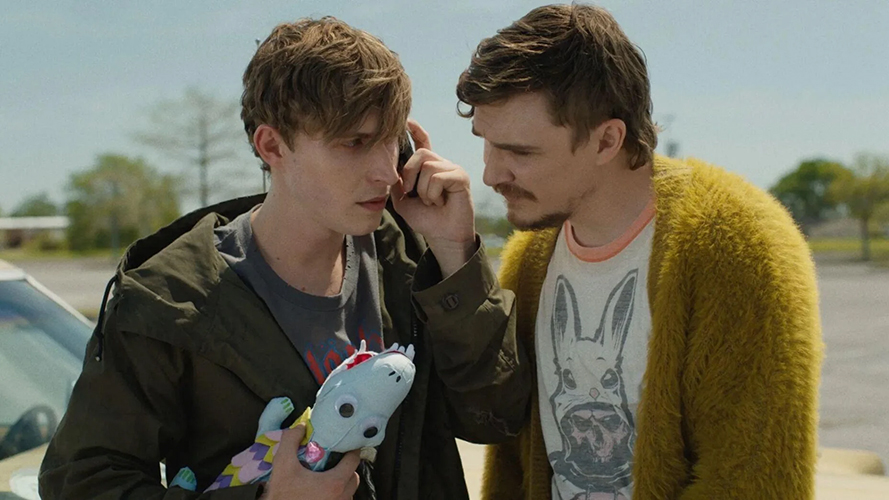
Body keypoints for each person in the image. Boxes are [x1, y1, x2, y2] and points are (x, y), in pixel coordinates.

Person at [39, 17, 529, 500]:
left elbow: (496, 417)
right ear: (272, 145)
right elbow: (81, 482)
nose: (386, 173)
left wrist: (455, 253)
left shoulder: (409, 258)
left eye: (390, 141)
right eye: (355, 143)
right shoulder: (168, 301)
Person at [456, 4, 823, 499]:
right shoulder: (531, 258)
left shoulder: (738, 245)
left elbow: (752, 478)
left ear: (607, 140)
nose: (490, 174)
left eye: (520, 152)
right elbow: (511, 463)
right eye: (486, 143)